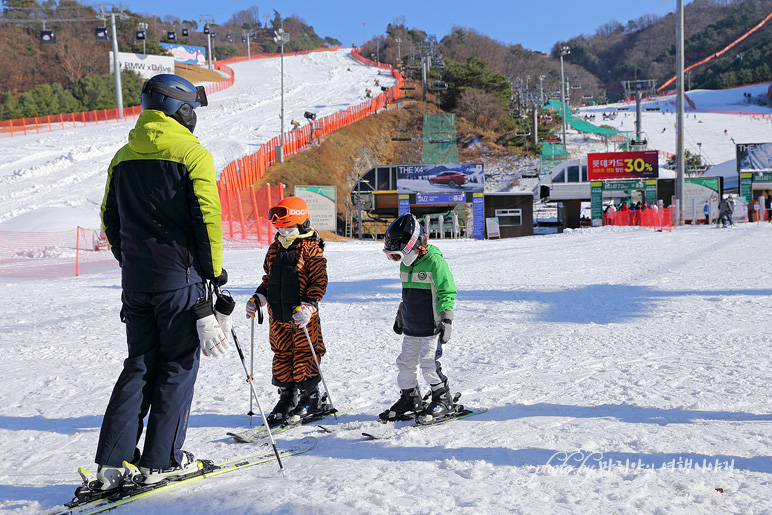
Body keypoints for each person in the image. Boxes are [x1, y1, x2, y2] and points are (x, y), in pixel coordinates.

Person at [96, 74, 228, 490]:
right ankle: (162, 460)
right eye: (192, 108)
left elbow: (109, 219)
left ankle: (111, 464)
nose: (194, 117)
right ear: (179, 108)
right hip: (179, 280)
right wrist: (213, 271)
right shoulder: (192, 154)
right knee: (177, 365)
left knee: (138, 366)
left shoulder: (122, 155)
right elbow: (207, 218)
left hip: (137, 282)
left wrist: (131, 261)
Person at [246, 196, 330, 426]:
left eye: (288, 228)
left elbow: (319, 281)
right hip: (278, 317)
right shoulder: (274, 249)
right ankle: (287, 397)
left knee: (305, 354)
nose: (283, 233)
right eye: (280, 229)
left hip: (302, 316)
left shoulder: (311, 249)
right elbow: (268, 279)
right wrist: (259, 296)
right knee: (282, 354)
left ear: (302, 224)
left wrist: (310, 305)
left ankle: (310, 399)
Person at [380, 213, 458, 424]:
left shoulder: (435, 262)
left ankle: (443, 399)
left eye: (397, 255)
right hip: (411, 326)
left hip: (431, 326)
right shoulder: (406, 264)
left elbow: (446, 292)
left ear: (415, 245)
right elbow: (407, 294)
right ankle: (410, 398)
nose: (396, 260)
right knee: (405, 363)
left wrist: (447, 319)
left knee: (429, 363)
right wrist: (401, 315)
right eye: (392, 256)